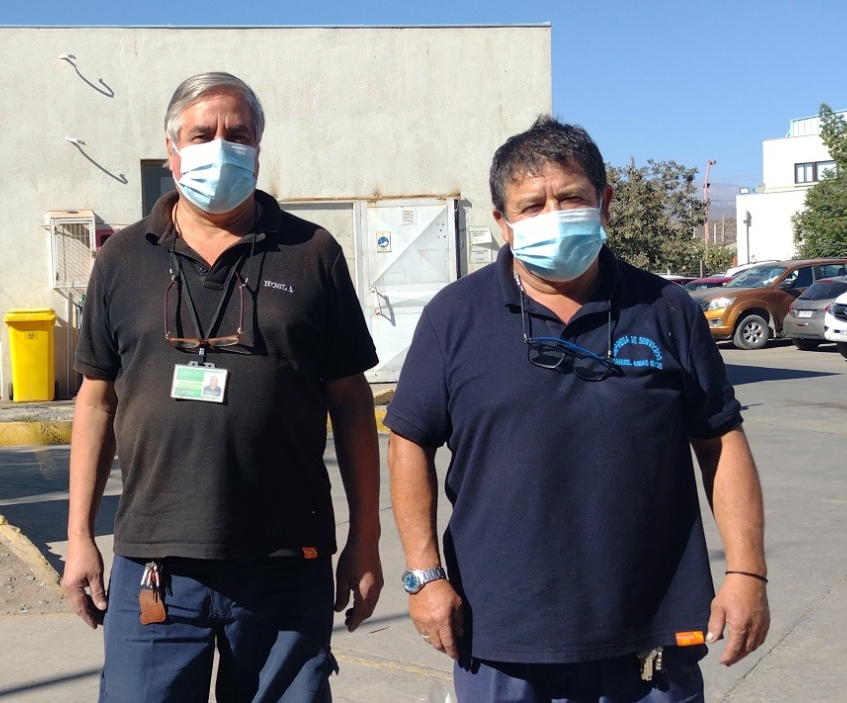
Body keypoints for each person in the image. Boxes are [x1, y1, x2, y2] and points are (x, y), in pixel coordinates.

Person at [385, 116, 770, 702]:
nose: (553, 216)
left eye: (571, 198)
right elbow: (409, 440)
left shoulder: (667, 309)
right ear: (502, 224)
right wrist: (424, 575)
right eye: (531, 205)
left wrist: (746, 572)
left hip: (651, 635)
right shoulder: (454, 316)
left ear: (605, 204)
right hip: (502, 636)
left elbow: (721, 441)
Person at [62, 71, 384, 702]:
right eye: (202, 133)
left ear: (258, 148)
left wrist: (365, 542)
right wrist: (79, 539)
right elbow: (95, 402)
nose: (220, 146)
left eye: (238, 134)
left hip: (289, 564)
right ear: (172, 150)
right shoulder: (123, 258)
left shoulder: (312, 253)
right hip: (155, 565)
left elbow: (350, 403)